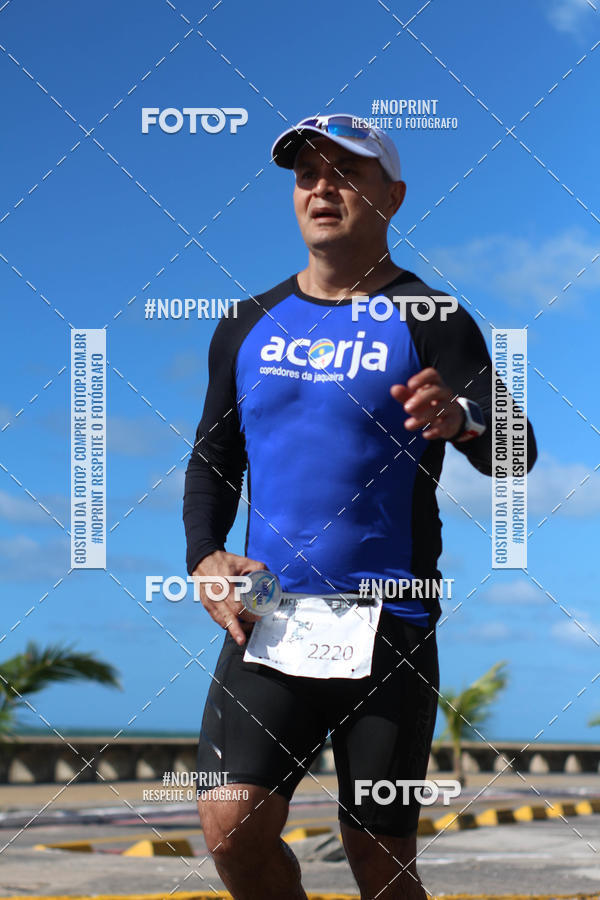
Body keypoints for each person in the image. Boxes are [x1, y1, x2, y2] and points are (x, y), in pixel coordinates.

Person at [183, 113, 538, 900]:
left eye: (345, 173)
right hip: (271, 619)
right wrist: (203, 555)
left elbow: (520, 453)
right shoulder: (247, 323)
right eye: (307, 174)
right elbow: (213, 460)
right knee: (232, 826)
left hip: (390, 628)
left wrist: (465, 417)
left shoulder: (434, 319)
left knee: (378, 859)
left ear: (393, 196)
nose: (322, 189)